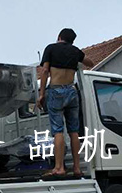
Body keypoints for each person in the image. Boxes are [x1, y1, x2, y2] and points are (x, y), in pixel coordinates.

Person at [37, 28, 88, 177]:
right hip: (71, 91)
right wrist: (79, 59)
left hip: (56, 90)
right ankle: (77, 168)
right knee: (74, 131)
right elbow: (89, 62)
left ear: (59, 37)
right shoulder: (75, 51)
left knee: (58, 131)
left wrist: (41, 94)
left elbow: (45, 71)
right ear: (72, 41)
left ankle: (59, 168)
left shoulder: (51, 48)